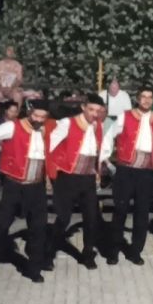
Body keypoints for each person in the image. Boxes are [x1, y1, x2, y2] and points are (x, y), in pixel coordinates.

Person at [0, 102, 53, 284]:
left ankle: (34, 268)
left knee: (38, 228)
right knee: (1, 227)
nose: (39, 120)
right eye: (36, 116)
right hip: (14, 185)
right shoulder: (12, 127)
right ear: (29, 112)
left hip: (36, 186)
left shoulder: (46, 130)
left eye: (43, 117)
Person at [99, 88, 153, 265]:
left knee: (142, 213)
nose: (146, 100)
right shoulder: (125, 116)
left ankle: (135, 252)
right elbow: (109, 135)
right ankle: (113, 252)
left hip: (146, 172)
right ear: (137, 99)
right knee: (120, 211)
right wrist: (105, 158)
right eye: (143, 96)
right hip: (126, 170)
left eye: (150, 97)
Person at [46, 95, 106, 269]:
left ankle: (87, 255)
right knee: (63, 218)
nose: (94, 114)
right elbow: (49, 145)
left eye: (98, 111)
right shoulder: (67, 123)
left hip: (88, 177)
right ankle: (48, 254)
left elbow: (97, 150)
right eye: (91, 109)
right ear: (83, 107)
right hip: (68, 177)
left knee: (92, 218)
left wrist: (97, 171)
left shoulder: (98, 125)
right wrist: (51, 173)